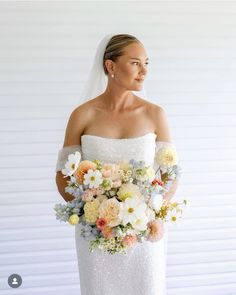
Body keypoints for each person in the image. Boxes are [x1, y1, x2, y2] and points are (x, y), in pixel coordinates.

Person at [55, 33, 179, 295]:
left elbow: (170, 174)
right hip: (97, 235)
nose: (144, 71)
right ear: (110, 66)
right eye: (135, 63)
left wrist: (146, 213)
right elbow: (63, 176)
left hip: (144, 233)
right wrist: (94, 211)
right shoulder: (82, 115)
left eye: (147, 63)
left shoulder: (155, 114)